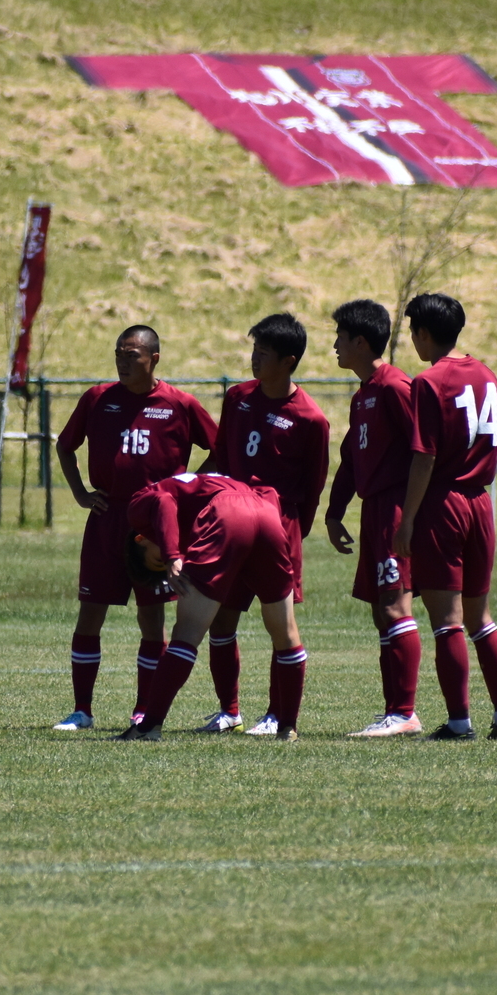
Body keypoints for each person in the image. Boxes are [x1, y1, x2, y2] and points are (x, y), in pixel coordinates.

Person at [51, 325, 216, 731]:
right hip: (107, 517)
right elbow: (65, 446)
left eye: (132, 355)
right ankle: (81, 710)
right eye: (118, 354)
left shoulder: (178, 403)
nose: (123, 362)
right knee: (91, 613)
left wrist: (186, 490)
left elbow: (218, 446)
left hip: (154, 525)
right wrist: (80, 493)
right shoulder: (98, 398)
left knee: (152, 619)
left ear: (153, 358)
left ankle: (144, 708)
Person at [192, 313, 330, 735]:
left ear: (288, 361)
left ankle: (275, 715)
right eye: (253, 350)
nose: (254, 360)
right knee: (221, 619)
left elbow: (314, 484)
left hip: (278, 527)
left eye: (264, 354)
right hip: (232, 520)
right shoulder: (237, 399)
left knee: (279, 625)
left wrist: (294, 531)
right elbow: (221, 457)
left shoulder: (310, 418)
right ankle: (228, 711)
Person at [393, 293, 497, 741]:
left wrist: (406, 520)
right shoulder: (487, 374)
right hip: (480, 503)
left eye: (413, 332)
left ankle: (459, 720)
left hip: (444, 503)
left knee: (447, 619)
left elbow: (423, 457)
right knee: (481, 617)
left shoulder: (429, 381)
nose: (412, 340)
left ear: (424, 333)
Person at [115, 472, 306, 741]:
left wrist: (170, 557)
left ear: (141, 539)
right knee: (286, 633)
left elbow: (163, 501)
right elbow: (267, 490)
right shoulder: (197, 489)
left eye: (156, 561)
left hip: (227, 512)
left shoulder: (137, 510)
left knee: (187, 632)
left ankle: (148, 728)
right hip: (266, 510)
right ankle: (288, 727)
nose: (170, 565)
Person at [322, 299, 425, 737]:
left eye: (341, 339)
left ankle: (405, 713)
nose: (334, 347)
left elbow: (425, 451)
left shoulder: (396, 388)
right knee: (381, 612)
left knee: (395, 604)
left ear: (361, 342)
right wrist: (335, 510)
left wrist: (411, 518)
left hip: (397, 508)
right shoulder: (364, 392)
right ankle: (394, 710)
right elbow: (350, 458)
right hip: (374, 511)